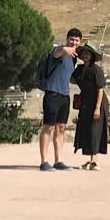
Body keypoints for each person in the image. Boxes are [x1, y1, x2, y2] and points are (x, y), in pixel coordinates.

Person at [37, 28, 81, 171]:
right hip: (53, 94)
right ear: (67, 39)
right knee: (48, 127)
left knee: (61, 128)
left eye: (77, 40)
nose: (74, 42)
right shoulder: (59, 52)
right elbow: (56, 53)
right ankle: (44, 161)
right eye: (71, 39)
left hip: (64, 96)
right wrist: (64, 48)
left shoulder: (73, 57)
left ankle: (59, 160)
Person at [71, 43, 109, 170]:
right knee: (86, 129)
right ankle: (90, 159)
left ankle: (95, 161)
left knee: (95, 130)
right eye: (83, 53)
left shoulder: (96, 70)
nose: (85, 55)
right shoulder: (79, 69)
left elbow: (100, 89)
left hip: (98, 102)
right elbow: (71, 79)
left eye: (88, 53)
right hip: (86, 102)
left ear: (92, 56)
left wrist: (97, 108)